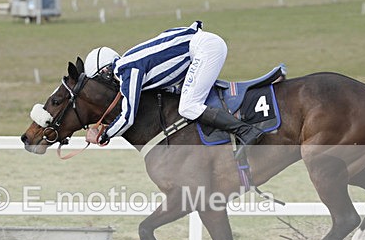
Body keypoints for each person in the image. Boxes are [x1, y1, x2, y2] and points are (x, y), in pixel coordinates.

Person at [83, 21, 263, 154]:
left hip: (204, 48)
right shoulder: (130, 60)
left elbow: (128, 117)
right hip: (204, 45)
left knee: (188, 106)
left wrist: (103, 135)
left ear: (105, 71)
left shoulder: (126, 70)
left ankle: (246, 132)